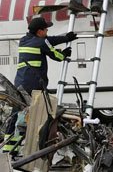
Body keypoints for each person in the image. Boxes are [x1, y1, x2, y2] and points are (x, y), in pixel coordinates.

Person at [2, 17, 78, 155]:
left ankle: (9, 148)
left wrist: (66, 38)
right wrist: (64, 53)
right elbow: (57, 55)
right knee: (39, 116)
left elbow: (47, 41)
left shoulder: (24, 40)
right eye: (46, 29)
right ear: (39, 31)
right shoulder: (41, 43)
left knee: (16, 114)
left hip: (20, 83)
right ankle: (42, 147)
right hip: (34, 85)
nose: (47, 30)